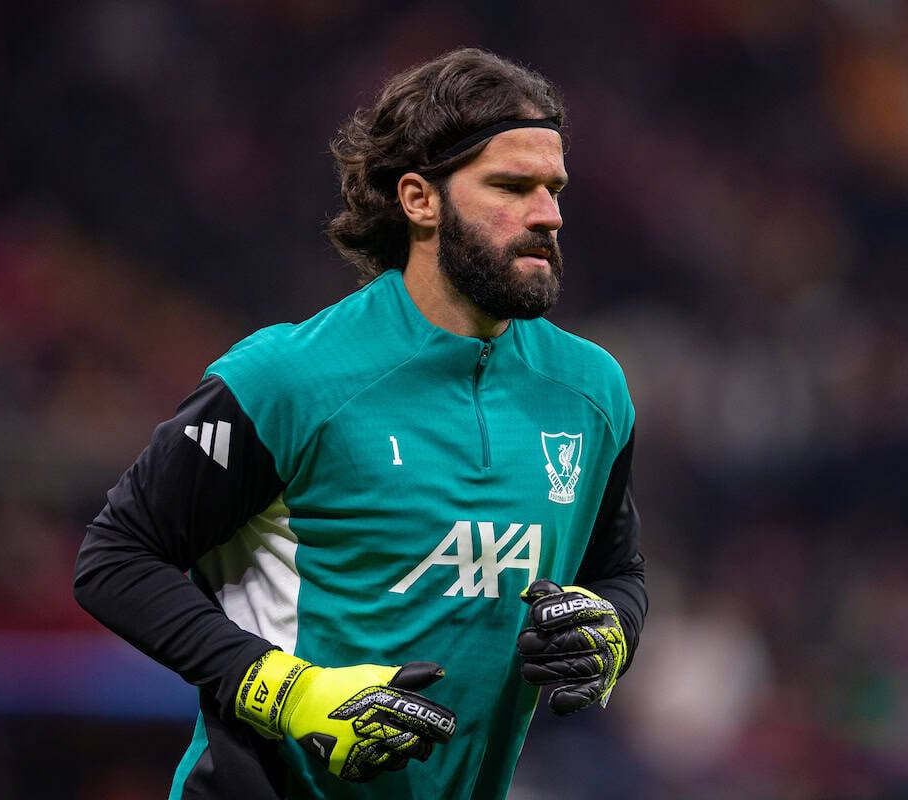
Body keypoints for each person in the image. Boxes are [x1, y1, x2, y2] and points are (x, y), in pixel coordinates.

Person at [73, 46, 647, 800]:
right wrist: (289, 692)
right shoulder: (288, 377)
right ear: (419, 199)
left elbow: (617, 574)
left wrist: (612, 632)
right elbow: (115, 559)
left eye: (554, 188)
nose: (548, 214)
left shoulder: (591, 392)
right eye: (513, 186)